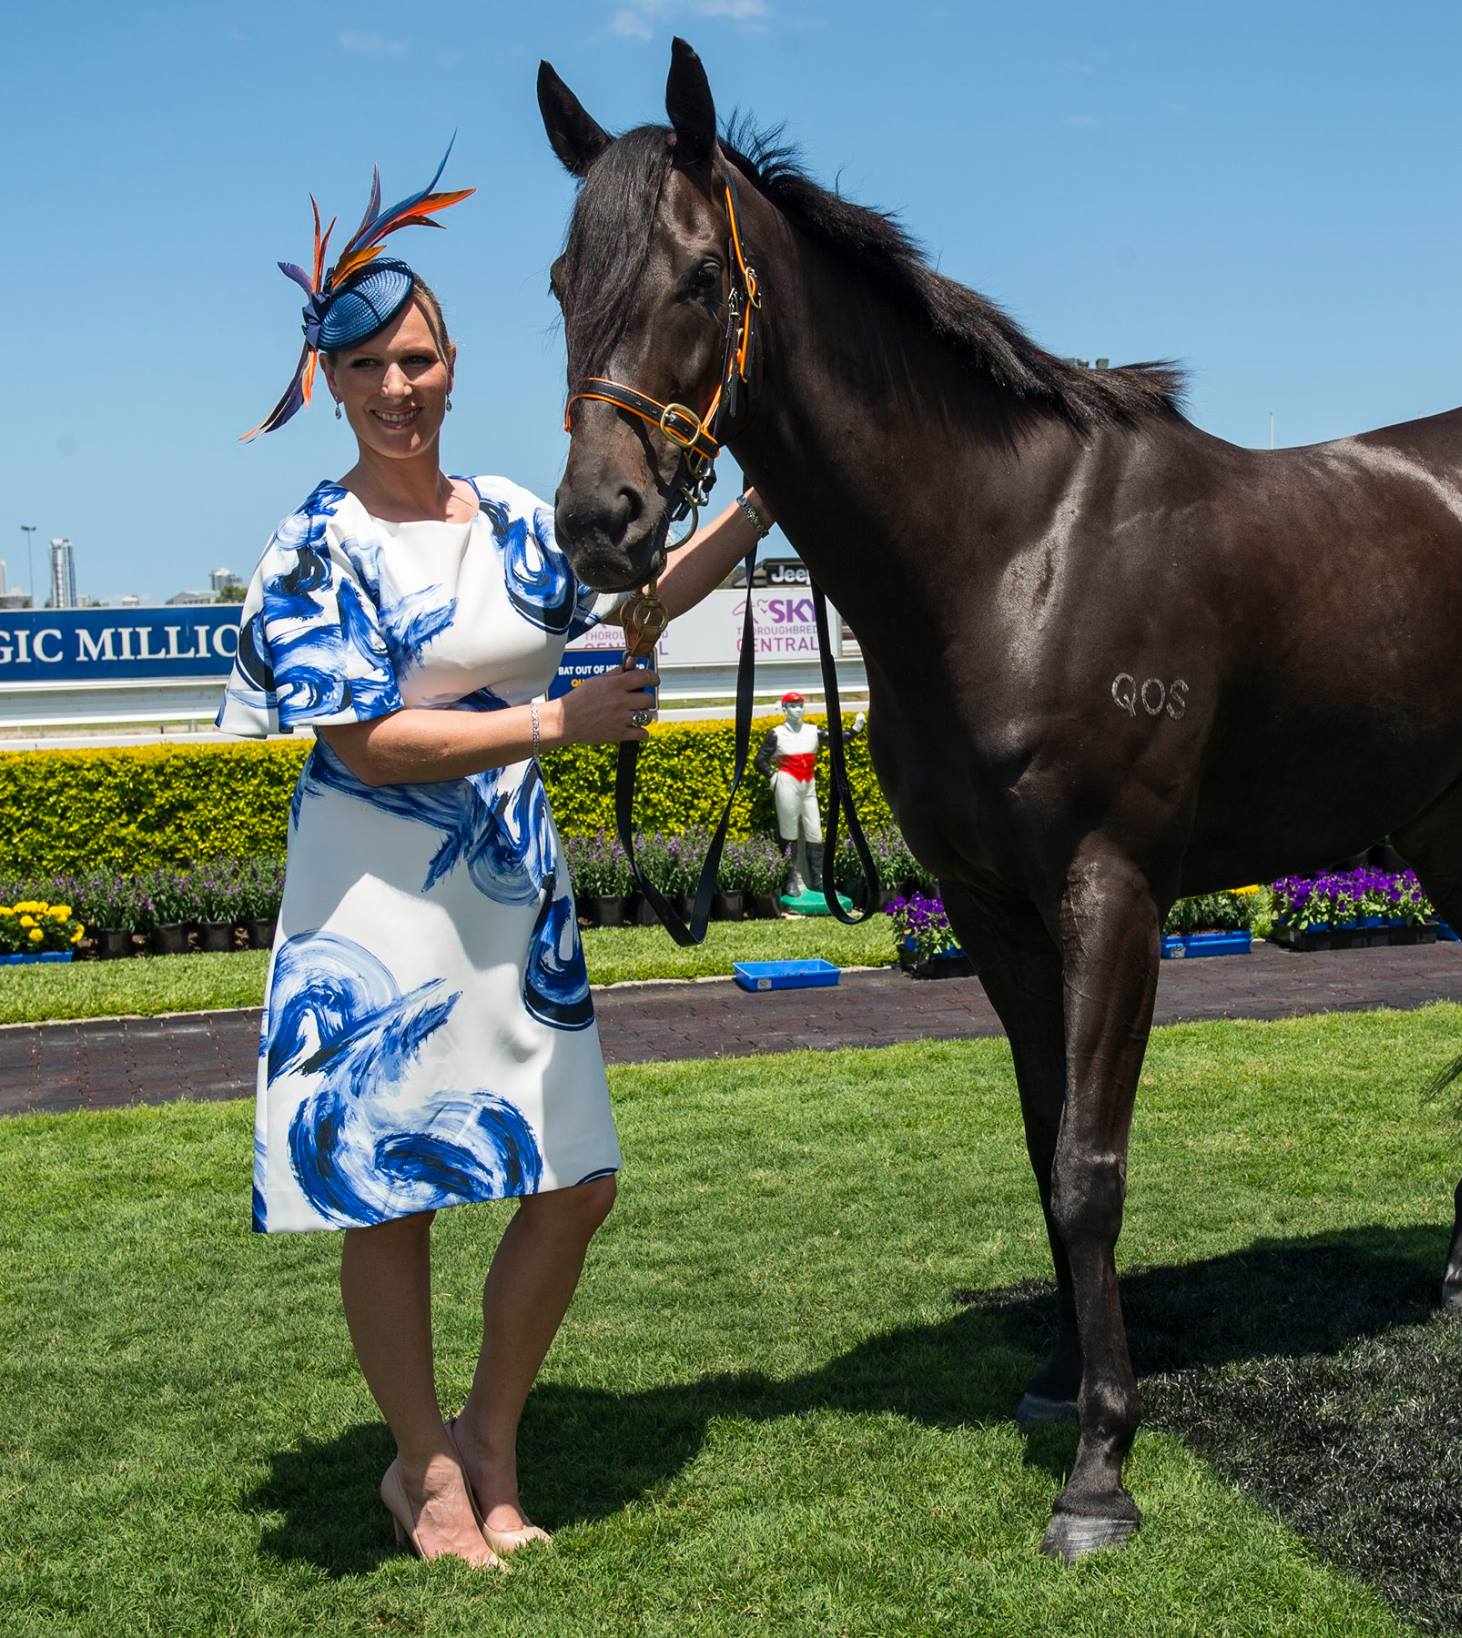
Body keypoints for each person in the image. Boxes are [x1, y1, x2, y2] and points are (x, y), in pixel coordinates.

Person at [218, 145, 773, 1567]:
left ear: (455, 363)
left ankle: (492, 1435)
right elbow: (361, 743)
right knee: (392, 1196)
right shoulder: (313, 547)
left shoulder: (519, 521)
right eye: (369, 372)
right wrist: (555, 719)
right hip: (372, 912)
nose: (399, 389)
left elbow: (639, 584)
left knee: (573, 1178)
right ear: (330, 387)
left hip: (512, 903)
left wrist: (765, 511)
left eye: (419, 360)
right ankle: (427, 1474)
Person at [754, 688, 824, 897]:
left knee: (815, 830)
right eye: (793, 705)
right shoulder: (777, 733)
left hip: (808, 783)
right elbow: (759, 760)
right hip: (787, 782)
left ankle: (818, 880)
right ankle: (790, 879)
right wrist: (772, 776)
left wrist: (855, 730)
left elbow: (836, 739)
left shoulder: (813, 731)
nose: (797, 709)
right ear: (784, 709)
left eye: (800, 705)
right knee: (788, 832)